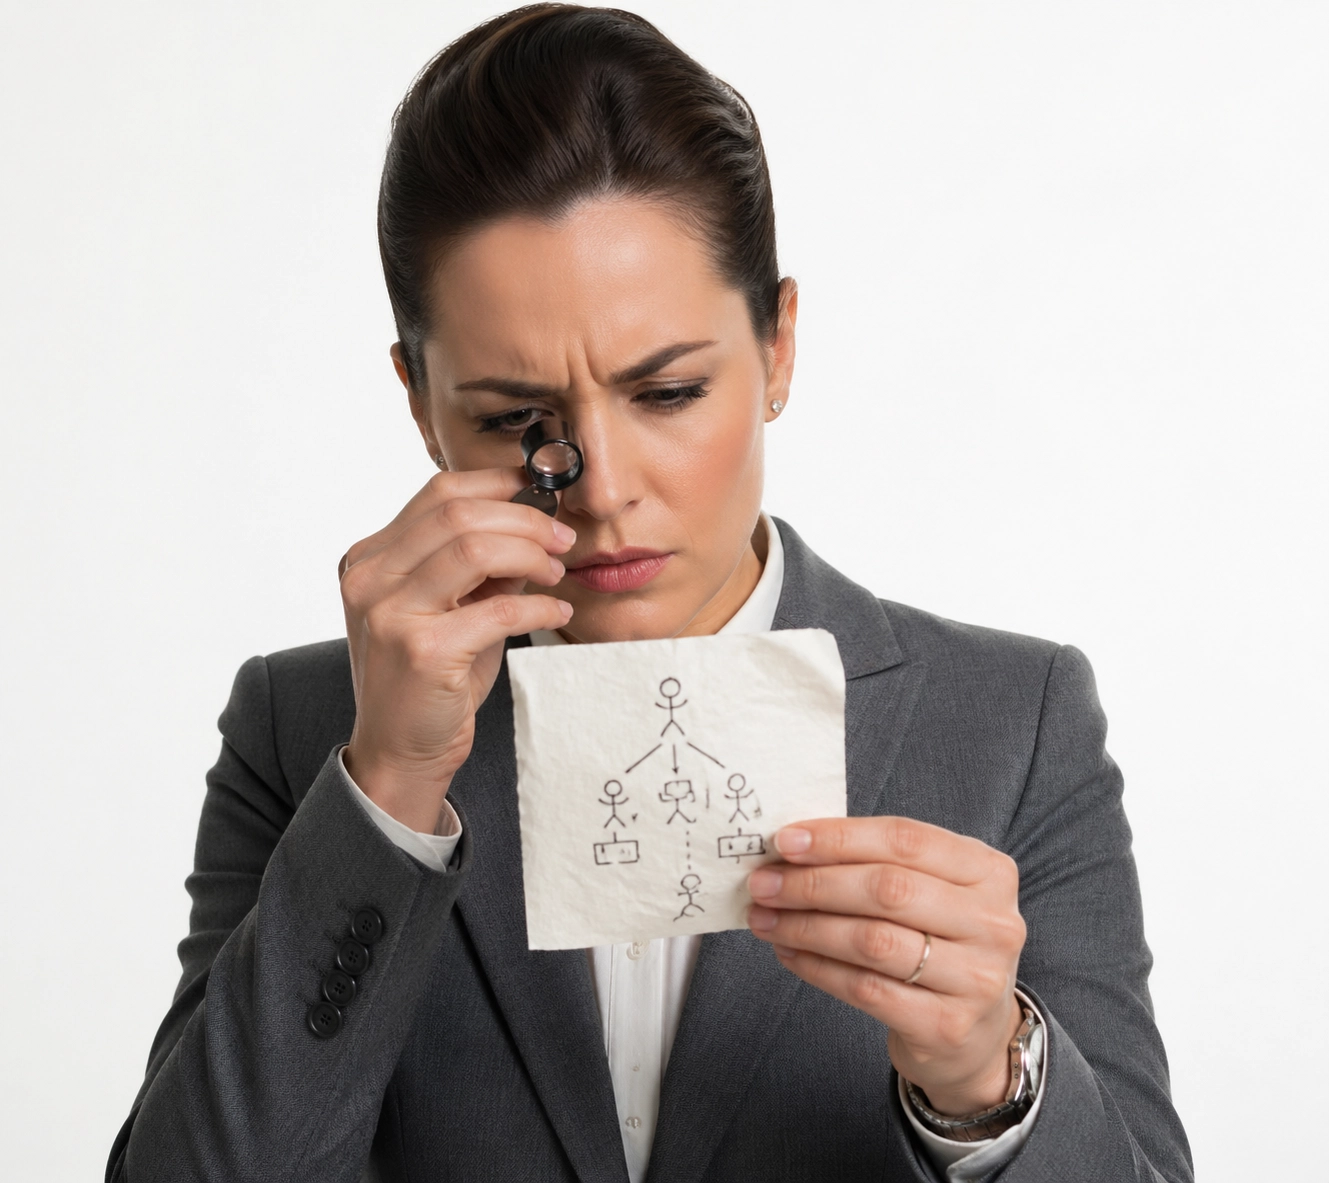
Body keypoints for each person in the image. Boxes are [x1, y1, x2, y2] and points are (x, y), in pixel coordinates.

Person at [106, 6, 1193, 1182]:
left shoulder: (1010, 722)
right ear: (421, 403)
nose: (604, 491)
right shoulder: (304, 731)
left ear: (777, 347)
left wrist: (992, 1081)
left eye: (667, 391)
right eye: (517, 420)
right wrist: (388, 790)